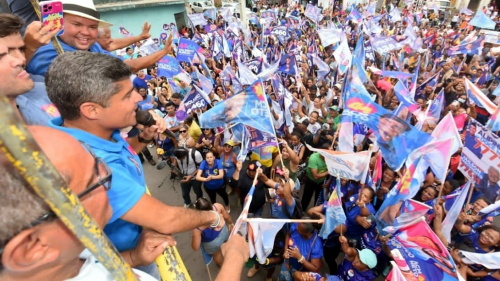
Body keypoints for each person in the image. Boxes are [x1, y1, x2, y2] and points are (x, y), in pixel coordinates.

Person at [45, 51, 223, 266]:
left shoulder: (85, 131)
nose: (139, 98)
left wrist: (144, 137)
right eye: (127, 95)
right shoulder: (89, 166)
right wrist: (213, 217)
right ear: (92, 110)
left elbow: (122, 155)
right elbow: (166, 220)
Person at [0, 126, 171, 281]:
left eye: (98, 163)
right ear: (33, 248)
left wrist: (133, 257)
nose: (108, 172)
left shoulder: (67, 248)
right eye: (92, 181)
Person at [26, 0, 174, 76]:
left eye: (92, 27)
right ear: (57, 23)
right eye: (77, 24)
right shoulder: (45, 53)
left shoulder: (92, 46)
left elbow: (126, 65)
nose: (86, 32)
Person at [191, 198, 233, 266]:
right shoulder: (218, 206)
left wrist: (193, 236)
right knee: (225, 243)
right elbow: (227, 217)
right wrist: (231, 223)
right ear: (210, 204)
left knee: (217, 254)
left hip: (212, 243)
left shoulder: (197, 227)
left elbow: (195, 247)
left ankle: (223, 265)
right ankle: (228, 251)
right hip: (223, 232)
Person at [174, 139, 203, 207]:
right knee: (185, 193)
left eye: (181, 158)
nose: (179, 159)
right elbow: (175, 159)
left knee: (198, 191)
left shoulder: (196, 154)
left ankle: (199, 203)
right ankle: (187, 203)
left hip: (195, 177)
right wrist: (174, 167)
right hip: (183, 176)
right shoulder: (177, 153)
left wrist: (191, 176)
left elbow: (201, 168)